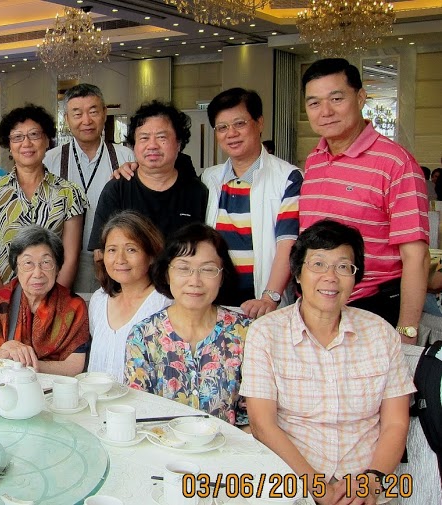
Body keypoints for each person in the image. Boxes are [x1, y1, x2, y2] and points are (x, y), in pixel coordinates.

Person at [241, 220, 414, 504]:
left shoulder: (381, 332)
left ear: (356, 277)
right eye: (318, 264)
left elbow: (395, 422)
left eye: (344, 267)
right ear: (297, 274)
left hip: (364, 485)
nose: (331, 277)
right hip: (291, 482)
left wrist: (372, 480)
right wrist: (317, 487)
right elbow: (263, 424)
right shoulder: (266, 333)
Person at [299, 58, 429, 343]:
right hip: (318, 307)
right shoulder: (315, 160)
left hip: (372, 307)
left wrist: (407, 331)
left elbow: (415, 257)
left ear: (360, 97)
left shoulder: (396, 163)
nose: (326, 112)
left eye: (336, 98)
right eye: (314, 103)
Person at [125, 223, 251, 426]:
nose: (195, 280)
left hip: (229, 451)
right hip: (161, 451)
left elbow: (254, 419)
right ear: (167, 274)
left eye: (208, 269)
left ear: (222, 276)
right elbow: (139, 413)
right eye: (184, 268)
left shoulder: (245, 333)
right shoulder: (144, 336)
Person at [202, 88, 303, 317]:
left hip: (263, 305)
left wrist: (270, 297)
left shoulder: (288, 178)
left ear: (259, 123)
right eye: (222, 128)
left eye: (239, 123)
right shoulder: (209, 178)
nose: (231, 133)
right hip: (214, 304)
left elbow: (288, 243)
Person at [0, 104, 87, 297]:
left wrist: (49, 306)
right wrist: (5, 304)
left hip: (52, 305)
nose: (26, 143)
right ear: (9, 144)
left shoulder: (69, 193)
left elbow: (70, 258)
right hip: (1, 305)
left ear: (46, 141)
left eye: (34, 135)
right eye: (17, 137)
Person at [43, 84, 135, 293]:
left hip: (114, 259)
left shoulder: (126, 158)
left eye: (93, 112)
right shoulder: (50, 160)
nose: (86, 121)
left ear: (104, 114)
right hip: (63, 261)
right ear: (66, 119)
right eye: (77, 113)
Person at [89, 100, 208, 246]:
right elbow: (100, 253)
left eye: (161, 137)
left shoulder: (197, 192)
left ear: (179, 143)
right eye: (144, 138)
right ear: (133, 146)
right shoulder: (117, 189)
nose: (152, 145)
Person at [0, 225, 89, 376]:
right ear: (16, 268)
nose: (37, 273)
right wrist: (6, 349)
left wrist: (23, 363)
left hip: (55, 389)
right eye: (28, 263)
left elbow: (74, 366)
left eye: (46, 263)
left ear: (57, 267)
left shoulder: (74, 307)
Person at [88, 211, 170, 383]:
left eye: (131, 249)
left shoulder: (165, 304)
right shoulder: (99, 300)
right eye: (111, 250)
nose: (120, 259)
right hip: (96, 404)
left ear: (151, 255)